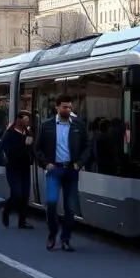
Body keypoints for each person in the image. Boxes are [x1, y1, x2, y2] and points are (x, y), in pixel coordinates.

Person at [33, 95, 90, 251]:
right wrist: (46, 164)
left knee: (70, 207)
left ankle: (65, 239)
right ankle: (52, 232)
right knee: (51, 203)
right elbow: (38, 149)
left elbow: (87, 146)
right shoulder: (47, 126)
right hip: (54, 169)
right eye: (65, 107)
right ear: (57, 107)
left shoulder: (78, 125)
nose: (68, 110)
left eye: (70, 107)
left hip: (71, 170)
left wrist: (79, 163)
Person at [0, 111, 34, 229]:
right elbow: (9, 150)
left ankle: (22, 221)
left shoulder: (28, 132)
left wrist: (31, 153)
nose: (27, 121)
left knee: (25, 194)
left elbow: (30, 148)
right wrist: (24, 144)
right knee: (17, 193)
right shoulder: (10, 133)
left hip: (25, 167)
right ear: (19, 120)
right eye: (25, 119)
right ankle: (6, 210)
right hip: (13, 167)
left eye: (28, 119)